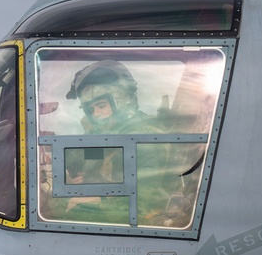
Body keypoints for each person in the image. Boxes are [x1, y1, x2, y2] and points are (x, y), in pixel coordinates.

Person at [46, 60, 176, 226]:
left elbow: (147, 198)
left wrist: (100, 200)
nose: (97, 114)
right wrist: (75, 176)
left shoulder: (143, 138)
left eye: (101, 105)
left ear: (121, 101)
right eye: (91, 110)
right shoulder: (107, 135)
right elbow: (87, 160)